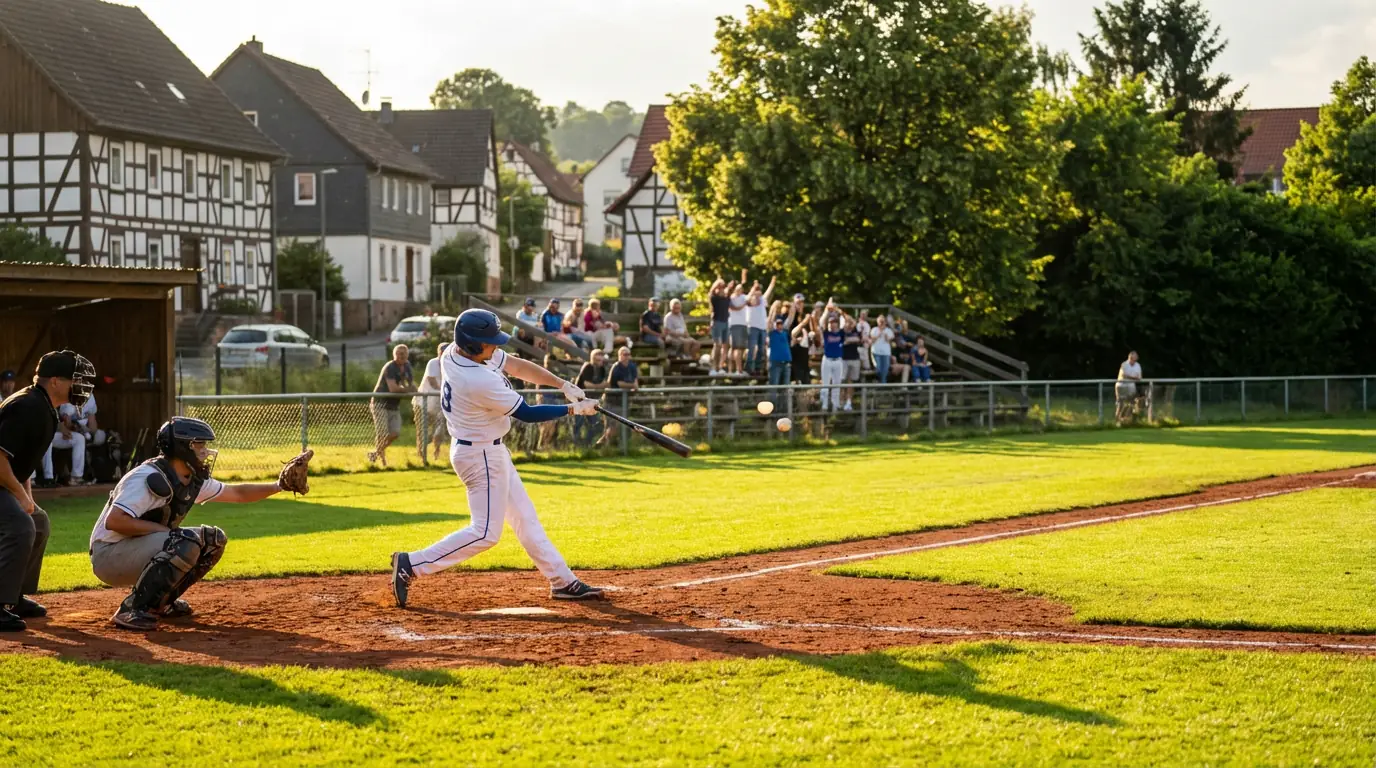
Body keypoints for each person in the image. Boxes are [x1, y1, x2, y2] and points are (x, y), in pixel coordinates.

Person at [390, 309, 604, 606]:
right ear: (473, 343)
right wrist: (574, 409)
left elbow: (516, 365)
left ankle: (563, 581)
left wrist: (562, 385)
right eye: (490, 342)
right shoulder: (475, 379)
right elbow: (527, 413)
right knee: (485, 534)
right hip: (480, 455)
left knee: (525, 520)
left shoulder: (457, 352)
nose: (496, 347)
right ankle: (411, 565)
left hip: (487, 449)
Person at [89, 417, 298, 631]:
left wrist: (279, 485)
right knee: (183, 542)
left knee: (213, 540)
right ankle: (131, 609)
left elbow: (237, 493)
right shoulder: (147, 477)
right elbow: (115, 521)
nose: (206, 451)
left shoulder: (189, 477)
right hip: (109, 555)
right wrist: (164, 532)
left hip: (135, 550)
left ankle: (159, 603)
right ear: (182, 448)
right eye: (200, 445)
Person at [0, 350, 94, 631]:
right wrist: (19, 496)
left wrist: (26, 496)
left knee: (38, 521)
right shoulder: (27, 406)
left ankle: (13, 597)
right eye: (74, 380)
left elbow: (22, 464)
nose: (80, 386)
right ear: (54, 381)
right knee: (21, 527)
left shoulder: (44, 406)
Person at [369, 344, 414, 467]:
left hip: (394, 405)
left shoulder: (407, 366)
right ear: (394, 355)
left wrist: (413, 389)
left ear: (407, 355)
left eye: (404, 353)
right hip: (380, 403)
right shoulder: (390, 367)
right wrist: (408, 389)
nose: (401, 356)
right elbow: (393, 388)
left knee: (395, 433)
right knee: (382, 433)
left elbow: (411, 385)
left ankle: (375, 453)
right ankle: (383, 462)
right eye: (399, 354)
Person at [415, 342, 451, 462]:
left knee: (439, 431)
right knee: (422, 431)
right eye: (442, 351)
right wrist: (445, 390)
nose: (444, 354)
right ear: (438, 352)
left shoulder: (451, 365)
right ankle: (422, 456)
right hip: (423, 403)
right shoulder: (433, 363)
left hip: (439, 404)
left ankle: (436, 452)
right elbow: (432, 382)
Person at [38, 398, 87, 487]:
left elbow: (61, 420)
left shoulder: (62, 402)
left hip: (56, 434)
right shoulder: (42, 398)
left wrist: (66, 430)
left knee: (79, 438)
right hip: (41, 435)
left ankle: (76, 477)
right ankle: (48, 478)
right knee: (47, 439)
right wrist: (61, 429)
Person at [572, 349, 610, 446]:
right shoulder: (588, 366)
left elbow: (606, 383)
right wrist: (599, 386)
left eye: (602, 357)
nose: (601, 359)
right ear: (593, 358)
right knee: (578, 425)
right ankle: (576, 446)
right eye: (598, 357)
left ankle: (586, 443)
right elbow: (587, 384)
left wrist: (598, 386)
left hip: (592, 402)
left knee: (597, 424)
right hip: (579, 400)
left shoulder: (602, 369)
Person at [745, 276, 776, 375]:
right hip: (753, 327)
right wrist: (754, 288)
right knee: (752, 349)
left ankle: (758, 368)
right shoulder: (749, 300)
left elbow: (768, 291)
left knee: (761, 349)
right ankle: (749, 368)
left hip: (762, 328)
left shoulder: (763, 300)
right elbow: (748, 298)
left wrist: (772, 282)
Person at [708, 278, 734, 375]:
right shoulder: (714, 298)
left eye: (723, 287)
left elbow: (730, 291)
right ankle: (713, 368)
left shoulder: (727, 298)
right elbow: (711, 292)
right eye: (720, 287)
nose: (722, 289)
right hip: (717, 322)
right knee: (717, 345)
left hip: (725, 323)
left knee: (725, 345)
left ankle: (720, 366)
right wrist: (718, 284)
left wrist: (729, 287)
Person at [819, 316, 845, 412]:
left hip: (838, 360)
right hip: (827, 360)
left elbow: (849, 322)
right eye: (830, 322)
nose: (831, 324)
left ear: (837, 323)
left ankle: (835, 405)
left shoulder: (841, 333)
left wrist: (840, 312)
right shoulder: (826, 333)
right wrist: (828, 312)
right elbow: (822, 322)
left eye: (833, 322)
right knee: (825, 383)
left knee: (837, 383)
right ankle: (824, 405)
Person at [767, 315, 793, 404]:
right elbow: (769, 323)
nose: (779, 325)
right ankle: (772, 409)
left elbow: (790, 318)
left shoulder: (785, 333)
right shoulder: (772, 333)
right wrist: (773, 309)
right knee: (773, 387)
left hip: (786, 364)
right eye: (777, 324)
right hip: (775, 364)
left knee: (786, 387)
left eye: (781, 324)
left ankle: (784, 408)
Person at [727, 278, 750, 376]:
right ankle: (736, 370)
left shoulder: (744, 297)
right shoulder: (732, 298)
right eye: (738, 288)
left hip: (743, 325)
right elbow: (735, 308)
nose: (740, 290)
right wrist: (744, 304)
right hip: (735, 325)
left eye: (741, 289)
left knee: (740, 348)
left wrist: (744, 276)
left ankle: (735, 370)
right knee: (736, 348)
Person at [841, 317, 863, 410]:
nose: (849, 324)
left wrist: (848, 340)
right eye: (847, 322)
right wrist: (849, 340)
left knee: (851, 381)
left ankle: (848, 402)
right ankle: (841, 402)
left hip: (855, 359)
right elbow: (842, 341)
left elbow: (859, 339)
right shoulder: (841, 332)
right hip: (843, 359)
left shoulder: (856, 331)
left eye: (851, 323)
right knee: (842, 381)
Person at [870, 315, 895, 384]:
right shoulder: (874, 329)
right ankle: (881, 382)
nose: (881, 323)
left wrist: (886, 336)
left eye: (882, 321)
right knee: (878, 368)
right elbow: (873, 340)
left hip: (886, 352)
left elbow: (889, 340)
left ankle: (883, 383)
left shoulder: (888, 330)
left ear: (885, 322)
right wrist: (879, 334)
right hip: (876, 352)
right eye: (880, 321)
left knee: (885, 369)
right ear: (877, 322)